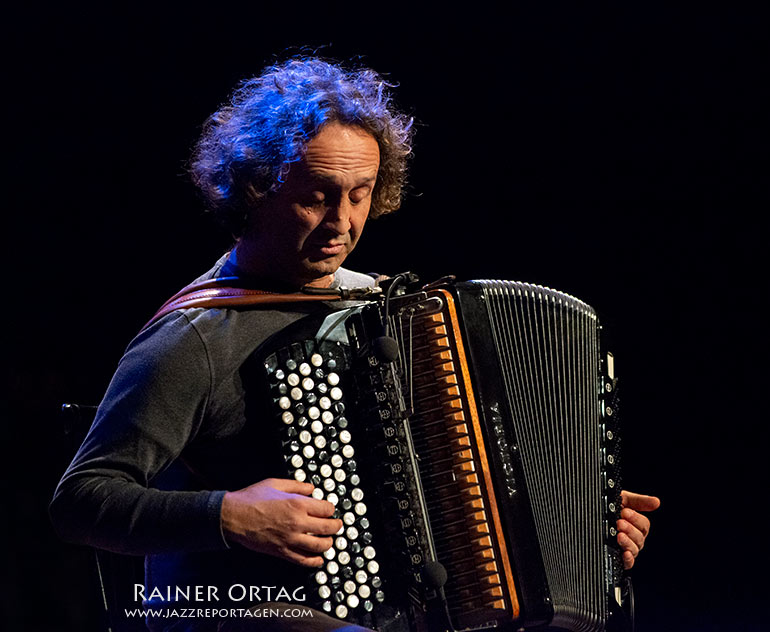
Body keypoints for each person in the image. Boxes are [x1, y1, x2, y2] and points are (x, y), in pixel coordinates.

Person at [50, 56, 659, 632]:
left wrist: (584, 524)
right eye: (315, 196)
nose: (342, 221)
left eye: (361, 193)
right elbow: (81, 501)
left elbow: (450, 476)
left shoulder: (385, 309)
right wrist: (227, 514)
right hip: (239, 607)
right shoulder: (195, 337)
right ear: (254, 191)